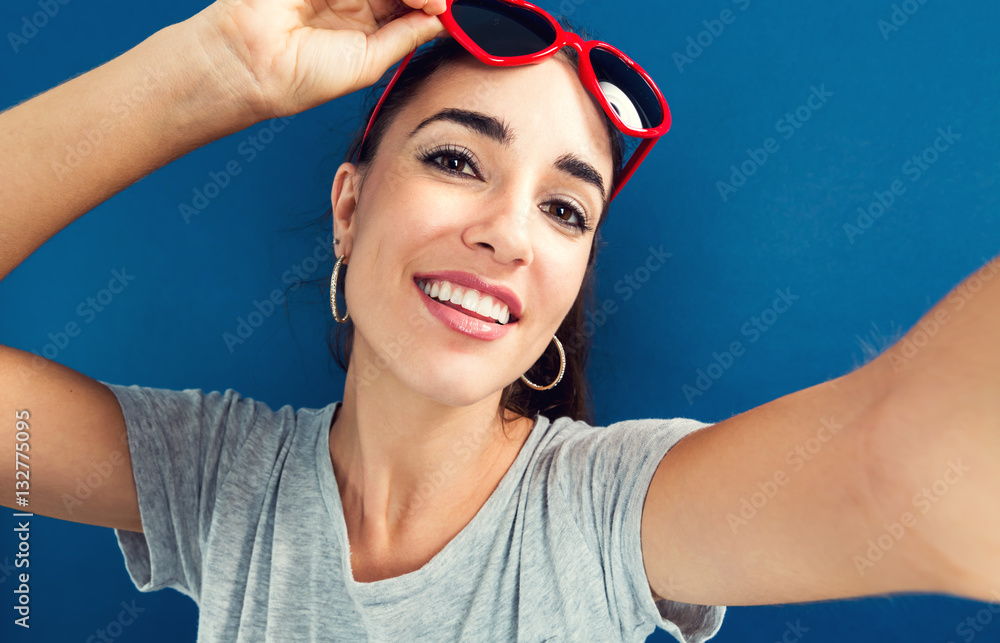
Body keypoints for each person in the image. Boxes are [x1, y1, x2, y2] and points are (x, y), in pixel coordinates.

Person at [1, 0, 997, 641]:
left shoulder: (602, 513)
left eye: (565, 210)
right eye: (455, 159)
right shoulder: (216, 480)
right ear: (349, 207)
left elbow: (905, 465)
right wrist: (217, 71)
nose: (508, 234)